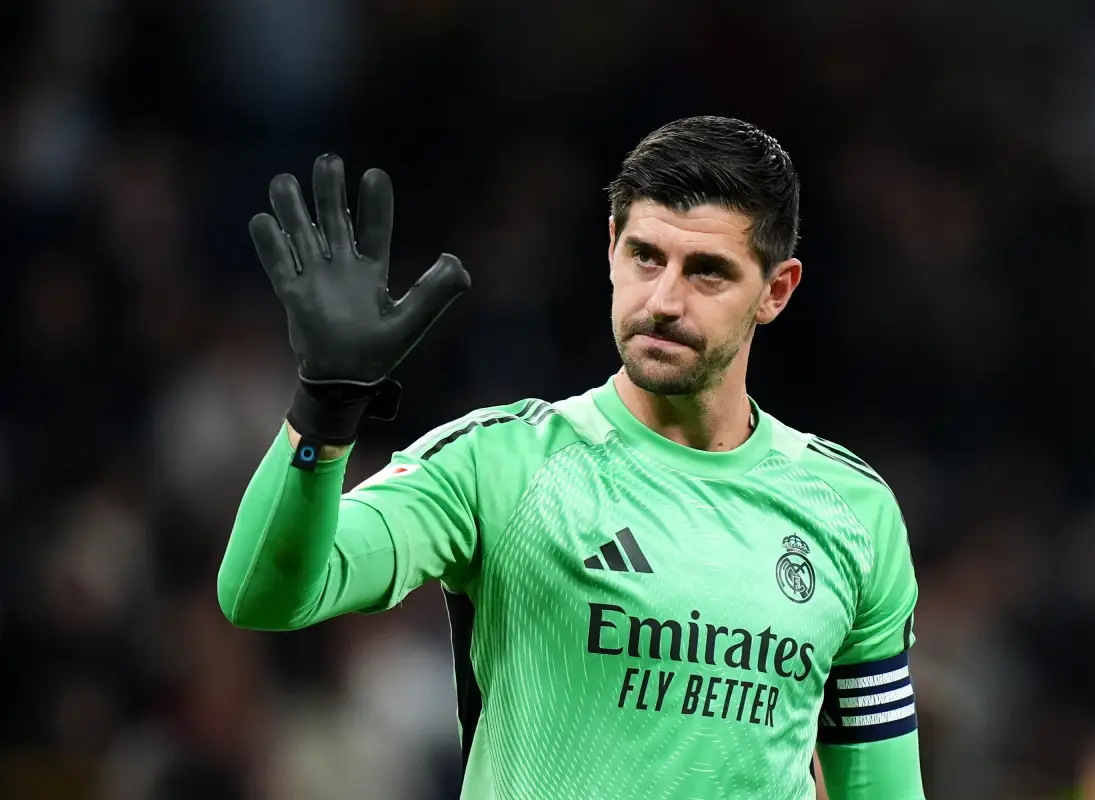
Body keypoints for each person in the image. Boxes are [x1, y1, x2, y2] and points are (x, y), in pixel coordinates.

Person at [218, 115, 925, 799]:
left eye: (708, 271)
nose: (664, 300)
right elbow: (263, 596)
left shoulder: (852, 511)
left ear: (775, 290)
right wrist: (323, 410)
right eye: (646, 256)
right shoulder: (500, 464)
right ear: (612, 245)